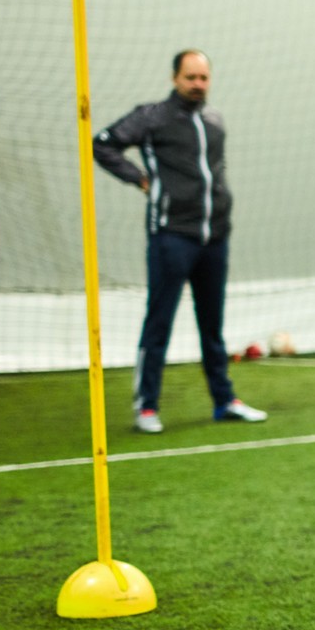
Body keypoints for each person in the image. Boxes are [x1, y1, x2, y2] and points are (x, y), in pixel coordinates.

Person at [91, 50, 267, 434]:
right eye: (190, 77)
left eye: (203, 77)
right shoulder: (151, 117)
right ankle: (147, 407)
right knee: (159, 323)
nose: (197, 84)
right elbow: (102, 144)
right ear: (175, 78)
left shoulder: (214, 121)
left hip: (214, 238)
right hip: (171, 237)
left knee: (212, 327)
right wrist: (140, 180)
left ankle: (225, 401)